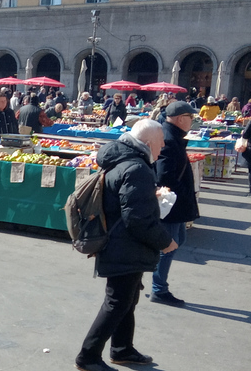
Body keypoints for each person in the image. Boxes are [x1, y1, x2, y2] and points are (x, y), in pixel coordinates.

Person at [75, 119, 178, 371]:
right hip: (123, 244)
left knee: (127, 299)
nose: (163, 145)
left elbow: (129, 207)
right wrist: (166, 242)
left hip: (120, 242)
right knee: (117, 302)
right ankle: (87, 357)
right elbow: (138, 220)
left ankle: (122, 349)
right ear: (146, 143)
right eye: (160, 141)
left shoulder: (125, 162)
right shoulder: (136, 168)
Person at [151, 102, 200, 307]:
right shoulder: (169, 139)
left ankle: (152, 281)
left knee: (178, 240)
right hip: (172, 203)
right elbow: (165, 175)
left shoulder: (172, 136)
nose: (193, 121)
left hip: (177, 203)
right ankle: (159, 289)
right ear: (181, 118)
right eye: (191, 117)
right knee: (169, 245)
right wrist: (182, 192)